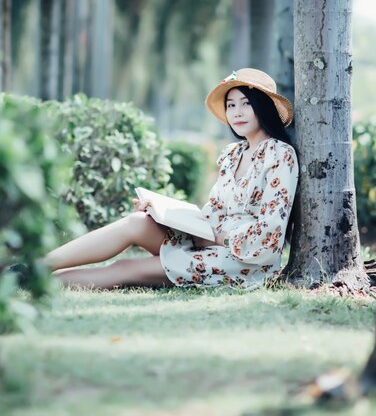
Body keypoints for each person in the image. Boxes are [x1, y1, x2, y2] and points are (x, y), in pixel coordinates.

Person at [44, 68, 299, 290]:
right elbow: (214, 212)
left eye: (246, 103)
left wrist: (216, 239)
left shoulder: (279, 155)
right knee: (138, 222)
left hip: (246, 262)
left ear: (264, 107)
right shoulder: (232, 155)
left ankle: (33, 281)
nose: (237, 112)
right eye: (231, 105)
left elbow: (271, 233)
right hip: (208, 241)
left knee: (127, 268)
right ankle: (36, 265)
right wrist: (165, 216)